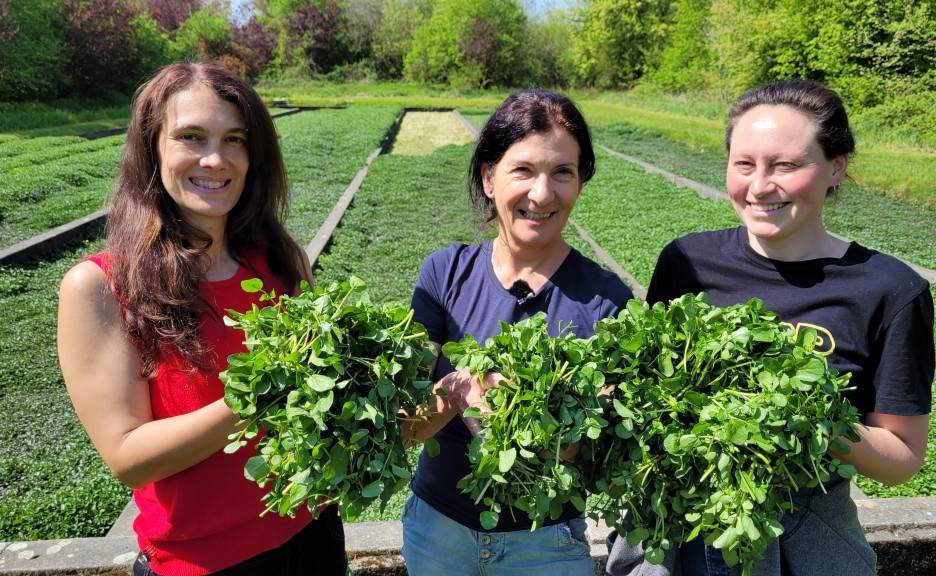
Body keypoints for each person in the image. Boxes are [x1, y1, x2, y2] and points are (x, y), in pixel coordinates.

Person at [605, 79, 934, 576]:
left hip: (806, 542)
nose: (760, 186)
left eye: (786, 165)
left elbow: (904, 456)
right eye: (745, 164)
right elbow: (646, 396)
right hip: (679, 535)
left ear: (836, 166)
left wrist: (807, 421)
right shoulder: (686, 261)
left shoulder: (888, 290)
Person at [56, 62, 347, 576]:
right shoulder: (101, 286)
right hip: (205, 565)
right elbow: (129, 456)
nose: (216, 159)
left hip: (314, 531)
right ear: (152, 148)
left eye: (234, 139)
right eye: (191, 137)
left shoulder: (279, 259)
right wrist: (265, 388)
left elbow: (319, 398)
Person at [400, 88, 634, 575]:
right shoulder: (443, 274)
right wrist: (460, 390)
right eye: (523, 170)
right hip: (437, 531)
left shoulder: (608, 301)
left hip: (546, 545)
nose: (542, 194)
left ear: (581, 182)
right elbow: (405, 428)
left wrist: (553, 430)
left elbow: (598, 455)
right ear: (489, 177)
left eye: (562, 173)